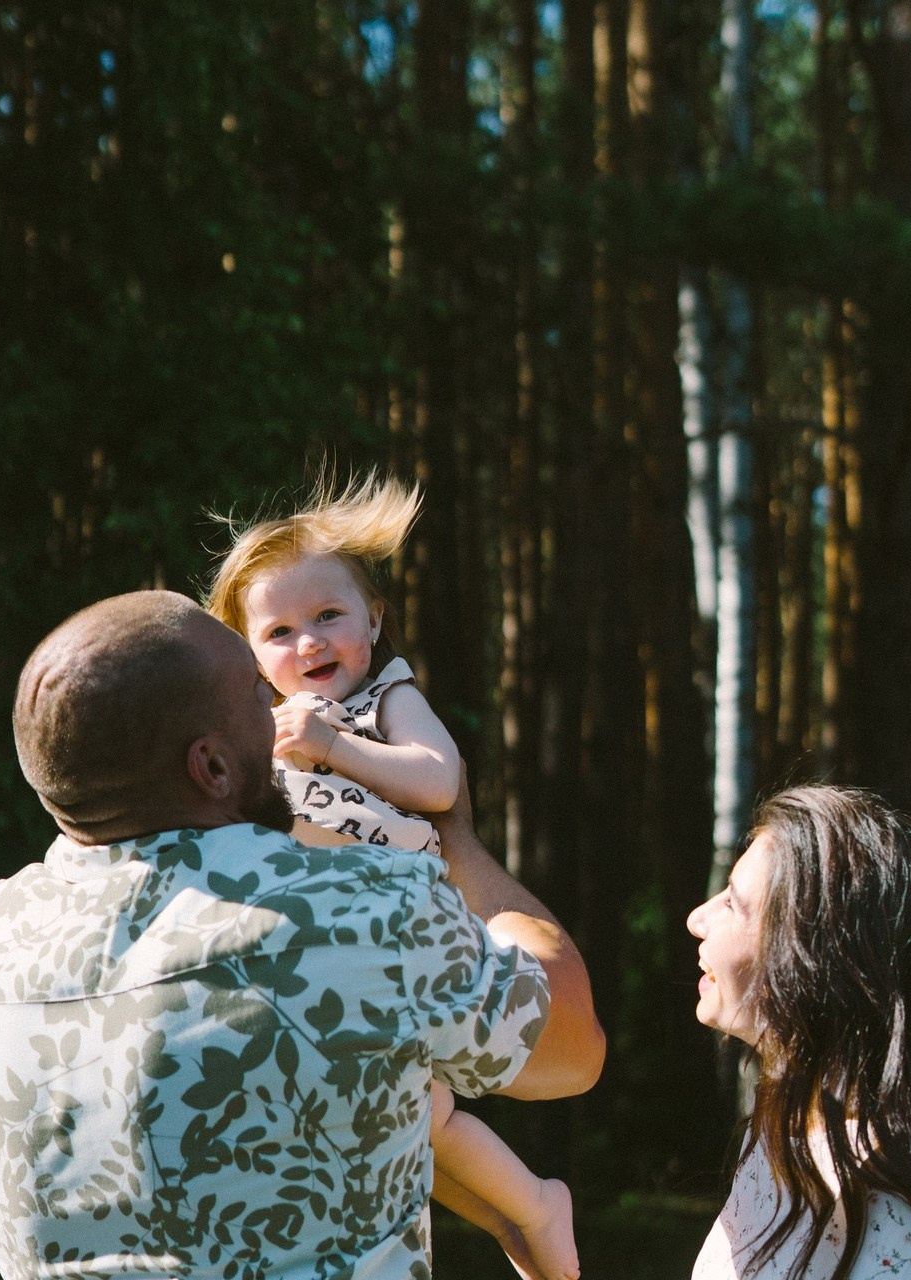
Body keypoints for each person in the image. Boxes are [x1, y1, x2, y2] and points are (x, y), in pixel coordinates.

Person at [0, 591, 604, 1280]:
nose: (279, 718)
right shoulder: (366, 911)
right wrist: (456, 843)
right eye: (256, 695)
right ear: (212, 766)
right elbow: (571, 1047)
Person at [205, 472, 581, 1280]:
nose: (309, 644)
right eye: (279, 631)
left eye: (329, 617)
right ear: (246, 654)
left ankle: (537, 1204)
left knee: (422, 1108)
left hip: (409, 917)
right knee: (407, 1110)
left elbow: (439, 782)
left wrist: (335, 747)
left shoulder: (384, 699)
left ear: (373, 619)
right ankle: (520, 1214)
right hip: (330, 944)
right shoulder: (265, 734)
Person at [686, 784, 911, 1280]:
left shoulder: (900, 1220)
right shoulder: (785, 1138)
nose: (697, 918)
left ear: (819, 961)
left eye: (734, 902)